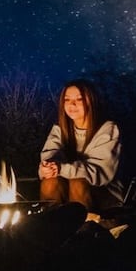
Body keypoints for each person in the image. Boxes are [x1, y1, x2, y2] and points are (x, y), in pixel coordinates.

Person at [38, 80, 124, 214]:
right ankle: (51, 229)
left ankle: (84, 231)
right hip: (66, 191)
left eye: (79, 99)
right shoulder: (60, 129)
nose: (72, 104)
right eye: (67, 99)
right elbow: (51, 154)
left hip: (103, 193)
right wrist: (48, 168)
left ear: (91, 101)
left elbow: (100, 173)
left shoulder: (108, 129)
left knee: (78, 182)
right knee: (50, 182)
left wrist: (61, 168)